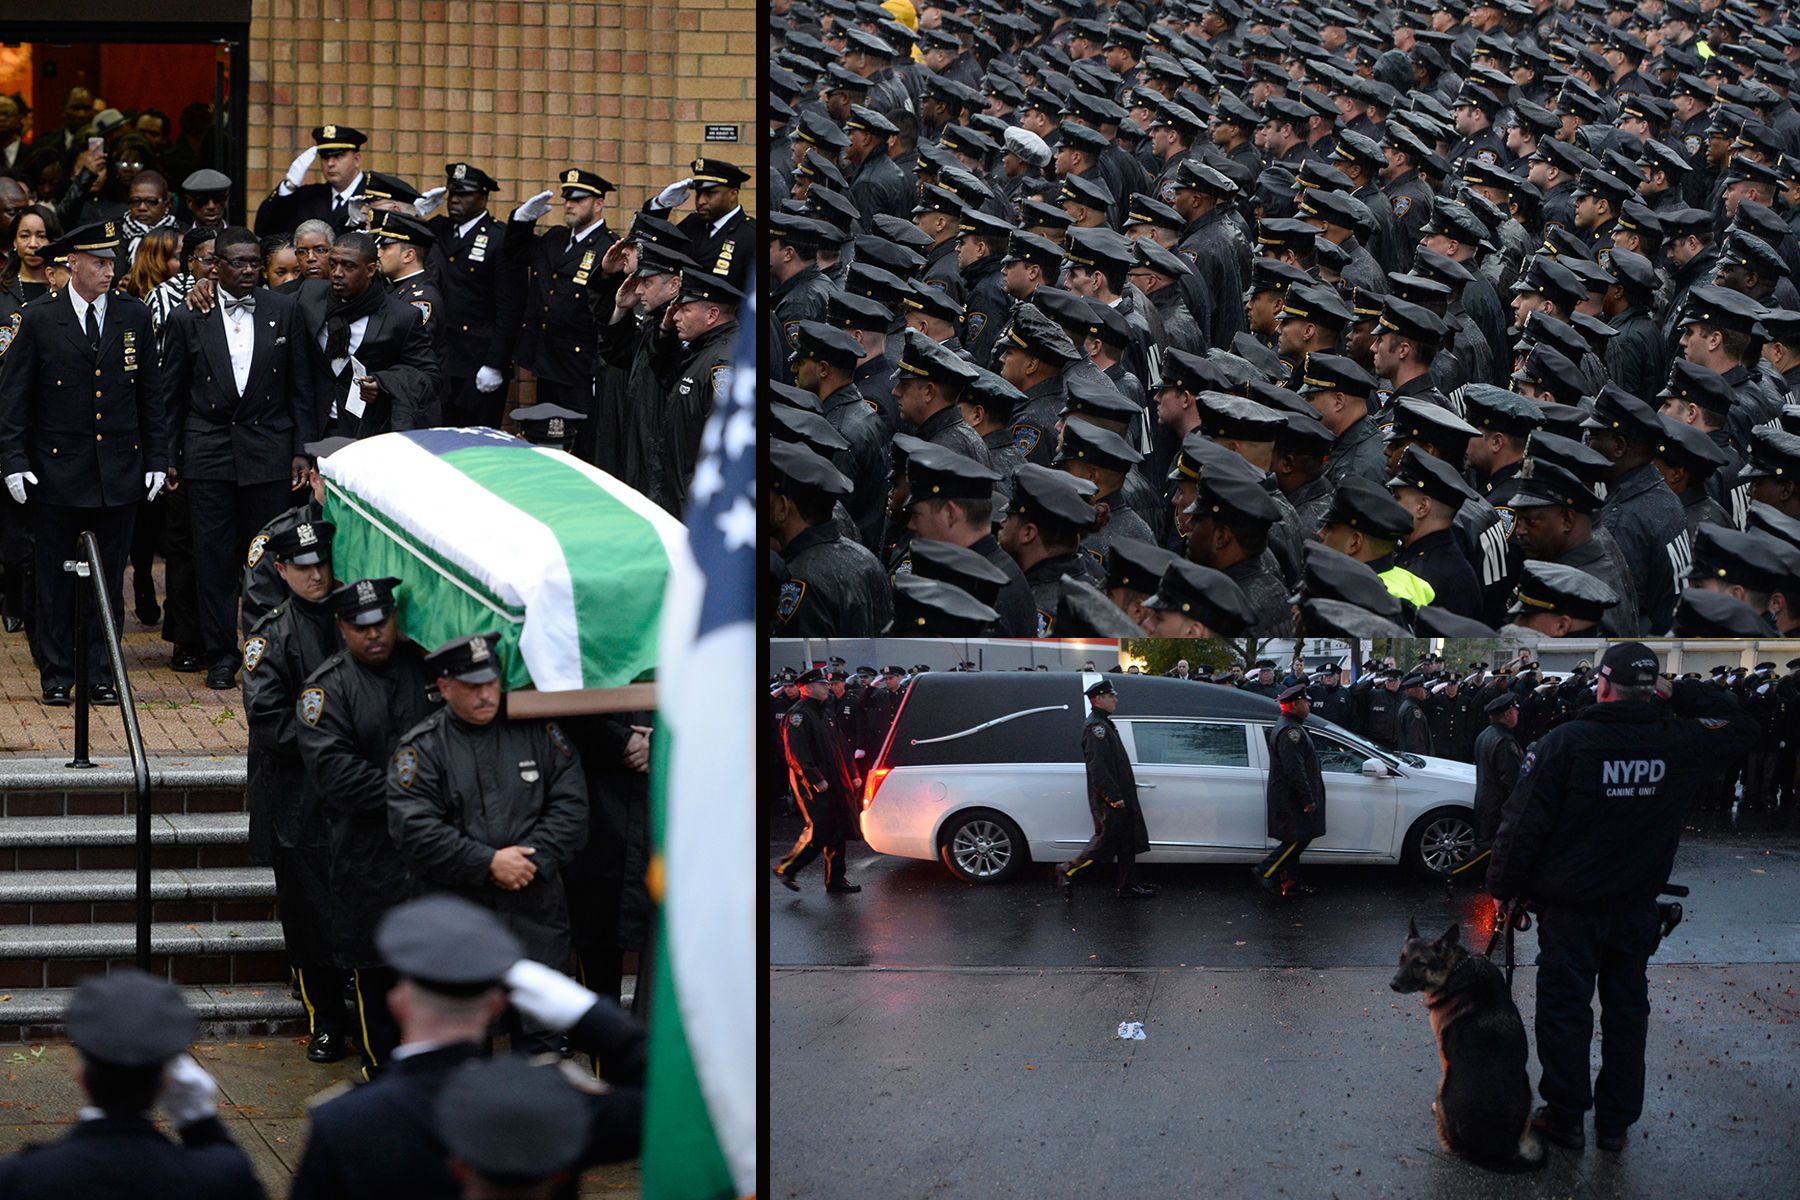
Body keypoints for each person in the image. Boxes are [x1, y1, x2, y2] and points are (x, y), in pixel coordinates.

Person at [1488, 642, 1757, 1153]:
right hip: (1636, 910)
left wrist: (1504, 891)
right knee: (1627, 1015)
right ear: (1653, 689)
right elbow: (1741, 724)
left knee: (1566, 1013)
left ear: (1603, 685)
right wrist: (1678, 691)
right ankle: (1615, 1124)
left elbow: (1521, 828)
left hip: (1571, 913)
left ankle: (1566, 1116)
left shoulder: (1564, 744)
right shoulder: (1680, 740)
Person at [290, 895, 644, 1200]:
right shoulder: (551, 1101)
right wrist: (584, 1011)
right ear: (495, 1007)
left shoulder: (344, 1123)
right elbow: (670, 1101)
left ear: (398, 1004)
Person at [385, 632, 590, 1053]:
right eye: (472, 686)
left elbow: (571, 807)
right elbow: (415, 829)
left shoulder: (537, 732)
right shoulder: (423, 749)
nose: (485, 695)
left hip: (535, 913)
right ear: (444, 687)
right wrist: (487, 862)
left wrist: (531, 860)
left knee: (542, 1040)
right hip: (461, 916)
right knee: (463, 1042)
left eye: (491, 682)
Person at [0, 220, 165, 706]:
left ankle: (100, 670)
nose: (108, 271)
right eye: (98, 263)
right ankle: (56, 672)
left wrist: (157, 458)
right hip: (56, 470)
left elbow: (150, 395)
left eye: (112, 262)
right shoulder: (39, 318)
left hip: (117, 469)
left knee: (107, 579)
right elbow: (14, 398)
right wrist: (12, 459)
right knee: (53, 576)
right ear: (72, 265)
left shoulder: (132, 315)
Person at [158, 225, 315, 690]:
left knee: (266, 558)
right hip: (208, 449)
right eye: (238, 263)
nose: (248, 271)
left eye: (254, 262)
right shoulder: (190, 316)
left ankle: (264, 650)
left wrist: (302, 451)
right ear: (216, 267)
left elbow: (300, 387)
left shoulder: (284, 310)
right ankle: (220, 654)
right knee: (213, 560)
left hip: (269, 449)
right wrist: (169, 456)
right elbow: (171, 395)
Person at [293, 576, 434, 1076]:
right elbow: (339, 776)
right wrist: (421, 801)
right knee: (377, 977)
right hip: (370, 855)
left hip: (432, 859)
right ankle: (383, 1073)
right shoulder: (326, 689)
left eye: (382, 622)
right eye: (360, 626)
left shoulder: (426, 670)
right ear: (342, 627)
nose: (373, 634)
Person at [0, 970, 263, 1198]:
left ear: (80, 1074)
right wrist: (200, 1122)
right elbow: (236, 1178)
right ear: (168, 1079)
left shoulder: (20, 1179)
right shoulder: (218, 1179)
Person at [242, 517, 349, 1062]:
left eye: (322, 564)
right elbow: (269, 721)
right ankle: (324, 1017)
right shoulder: (273, 634)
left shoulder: (350, 618)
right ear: (281, 570)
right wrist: (334, 742)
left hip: (345, 794)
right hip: (295, 794)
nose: (316, 575)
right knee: (307, 914)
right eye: (304, 567)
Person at [506, 168, 617, 437]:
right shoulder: (554, 238)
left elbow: (609, 308)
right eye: (567, 198)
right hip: (546, 358)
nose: (569, 204)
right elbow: (514, 254)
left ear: (599, 204)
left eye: (578, 199)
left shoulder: (608, 247)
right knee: (547, 434)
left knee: (580, 437)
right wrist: (522, 220)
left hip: (580, 363)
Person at [421, 162, 524, 428]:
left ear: (483, 197)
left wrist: (496, 363)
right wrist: (415, 214)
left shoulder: (499, 238)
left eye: (463, 194)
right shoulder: (437, 229)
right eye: (451, 193)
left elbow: (510, 307)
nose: (454, 199)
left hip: (478, 360)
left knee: (476, 444)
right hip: (442, 358)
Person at [1054, 677, 1154, 898]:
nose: (1115, 699)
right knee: (1103, 844)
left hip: (1120, 795)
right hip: (1109, 799)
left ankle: (1126, 885)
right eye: (1111, 696)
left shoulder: (1105, 723)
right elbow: (1097, 768)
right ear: (1098, 699)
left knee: (1127, 842)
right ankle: (1066, 869)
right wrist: (1114, 797)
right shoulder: (1096, 728)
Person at [773, 665, 860, 895]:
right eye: (822, 684)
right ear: (808, 688)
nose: (827, 688)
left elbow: (842, 746)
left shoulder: (826, 712)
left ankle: (836, 880)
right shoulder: (798, 716)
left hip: (835, 779)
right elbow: (796, 755)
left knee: (839, 828)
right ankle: (786, 868)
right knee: (820, 830)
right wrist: (815, 780)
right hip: (812, 784)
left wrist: (852, 774)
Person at [1254, 683, 1326, 898]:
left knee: (1296, 837)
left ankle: (1291, 883)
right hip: (1291, 797)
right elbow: (1295, 770)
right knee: (1298, 839)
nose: (1309, 704)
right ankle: (1265, 870)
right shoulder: (1290, 732)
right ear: (1294, 705)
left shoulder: (1291, 725)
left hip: (1289, 795)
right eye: (1305, 701)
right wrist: (1308, 799)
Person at [1450, 691, 1523, 884]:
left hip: (1486, 800)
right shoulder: (1505, 742)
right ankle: (1452, 874)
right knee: (1489, 848)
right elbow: (1512, 780)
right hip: (1498, 806)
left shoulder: (1486, 735)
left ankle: (1490, 881)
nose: (1517, 714)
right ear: (1507, 714)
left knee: (1488, 848)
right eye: (1515, 710)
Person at [254, 124, 371, 238]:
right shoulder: (308, 197)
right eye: (325, 157)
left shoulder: (374, 196)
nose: (330, 164)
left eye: (338, 156)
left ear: (356, 159)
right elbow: (264, 229)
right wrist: (289, 186)